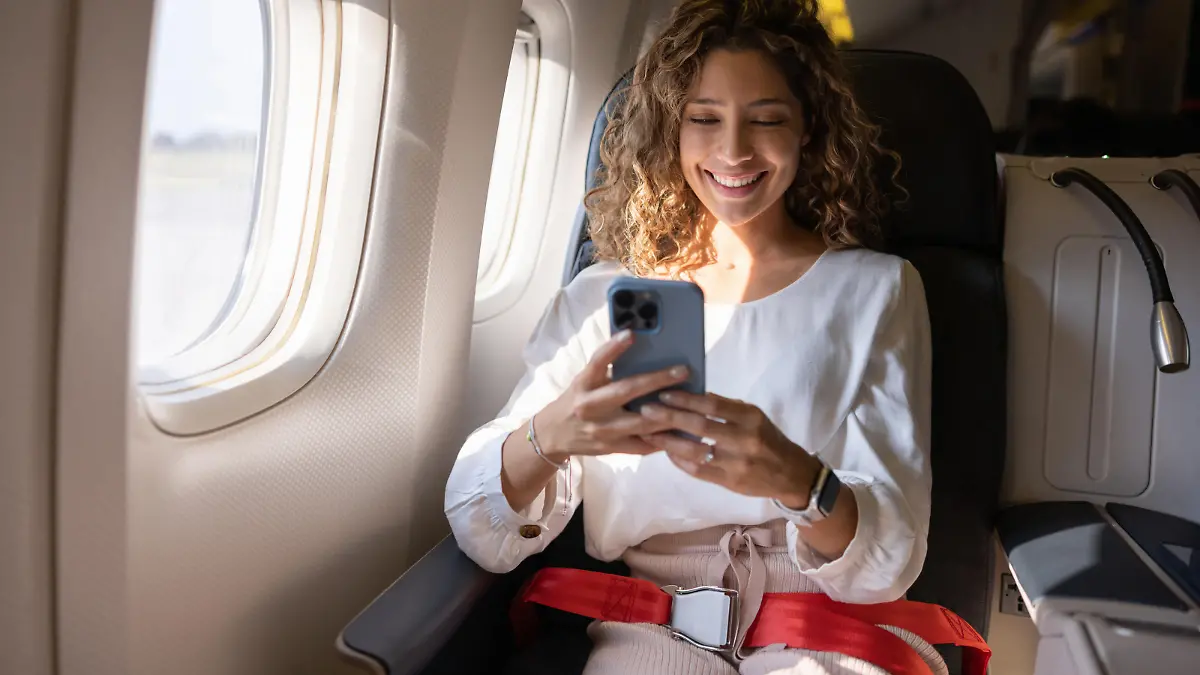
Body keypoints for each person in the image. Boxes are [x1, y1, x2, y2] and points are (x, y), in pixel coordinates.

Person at [445, 1, 941, 673]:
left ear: (807, 129)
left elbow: (889, 561)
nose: (733, 150)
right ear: (670, 131)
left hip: (823, 618)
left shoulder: (876, 290)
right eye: (704, 119)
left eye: (766, 119)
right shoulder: (604, 298)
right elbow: (481, 528)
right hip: (652, 623)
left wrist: (799, 479)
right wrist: (553, 433)